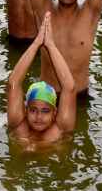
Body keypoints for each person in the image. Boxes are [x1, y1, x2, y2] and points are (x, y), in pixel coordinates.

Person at [7, 12, 77, 146]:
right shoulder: (18, 126)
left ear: (55, 113)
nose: (39, 117)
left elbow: (70, 88)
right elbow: (13, 83)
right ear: (25, 109)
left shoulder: (60, 130)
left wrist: (50, 45)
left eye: (45, 111)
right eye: (33, 110)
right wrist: (36, 44)